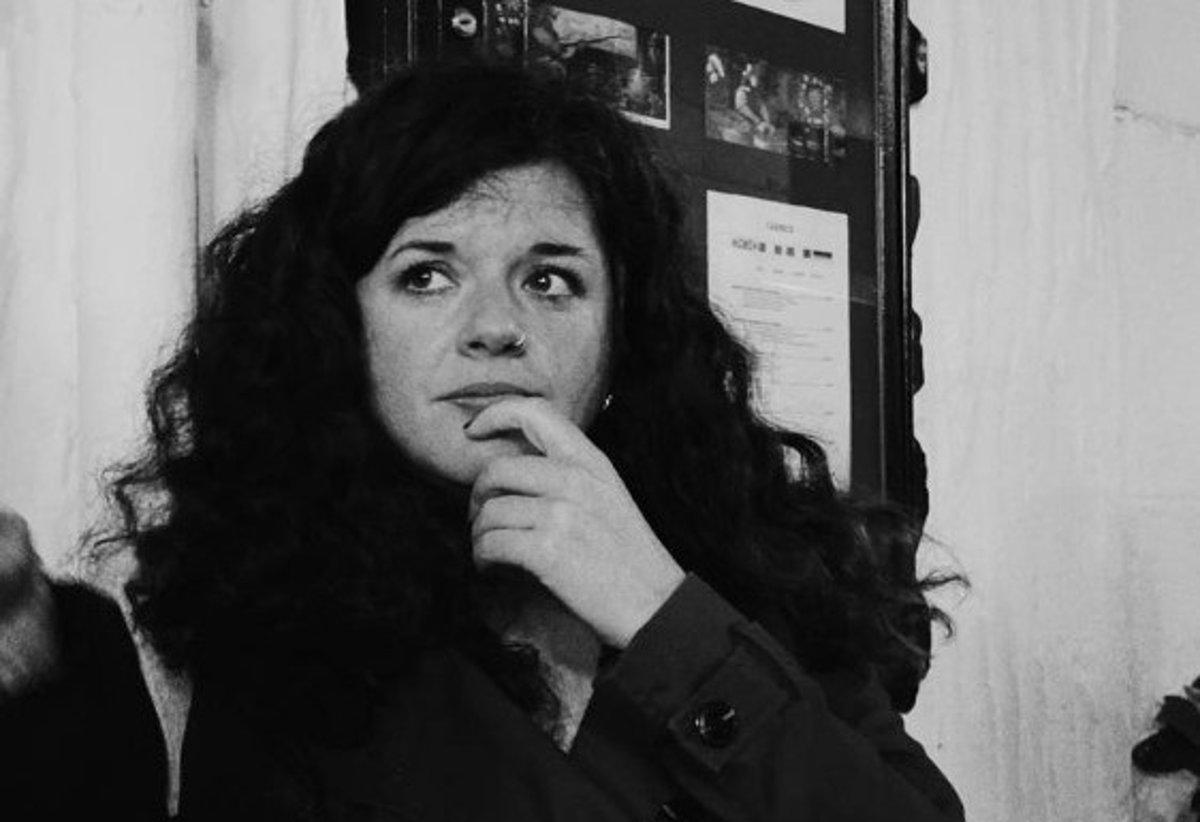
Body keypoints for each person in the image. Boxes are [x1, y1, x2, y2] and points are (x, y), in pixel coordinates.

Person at [0, 62, 963, 821]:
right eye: (426, 276)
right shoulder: (254, 630)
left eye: (550, 281)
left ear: (622, 338)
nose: (496, 326)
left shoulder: (758, 568)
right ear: (343, 330)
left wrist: (664, 616)